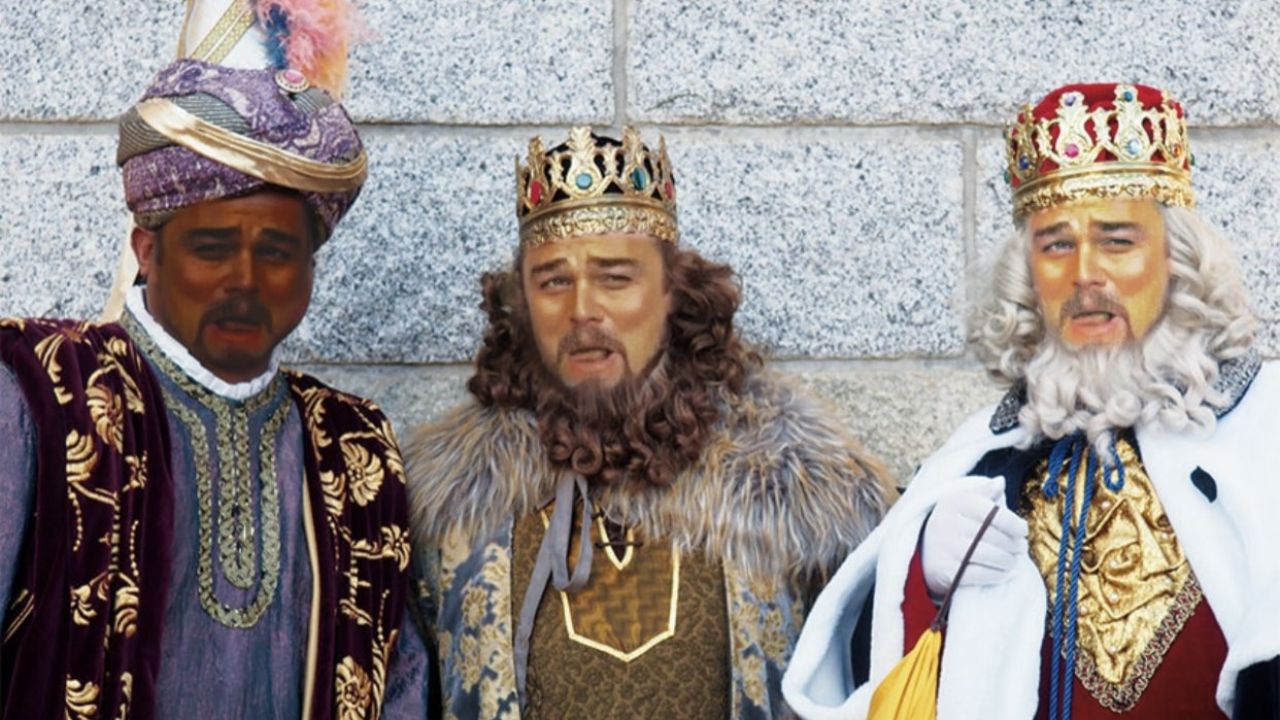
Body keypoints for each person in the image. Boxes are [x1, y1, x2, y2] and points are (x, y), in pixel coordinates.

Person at [783, 83, 1279, 719]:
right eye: (1056, 245)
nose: (1084, 274)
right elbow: (874, 667)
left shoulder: (1266, 427)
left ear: (1176, 261)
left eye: (1118, 240)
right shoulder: (977, 456)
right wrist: (923, 571)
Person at [0, 2, 427, 716]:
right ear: (146, 250)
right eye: (211, 247)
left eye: (278, 252)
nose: (245, 281)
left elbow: (398, 687)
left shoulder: (355, 448)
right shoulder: (40, 393)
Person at [405, 126, 895, 719]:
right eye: (554, 280)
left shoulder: (806, 503)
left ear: (672, 293)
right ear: (523, 305)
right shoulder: (441, 511)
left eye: (615, 277)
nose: (582, 309)